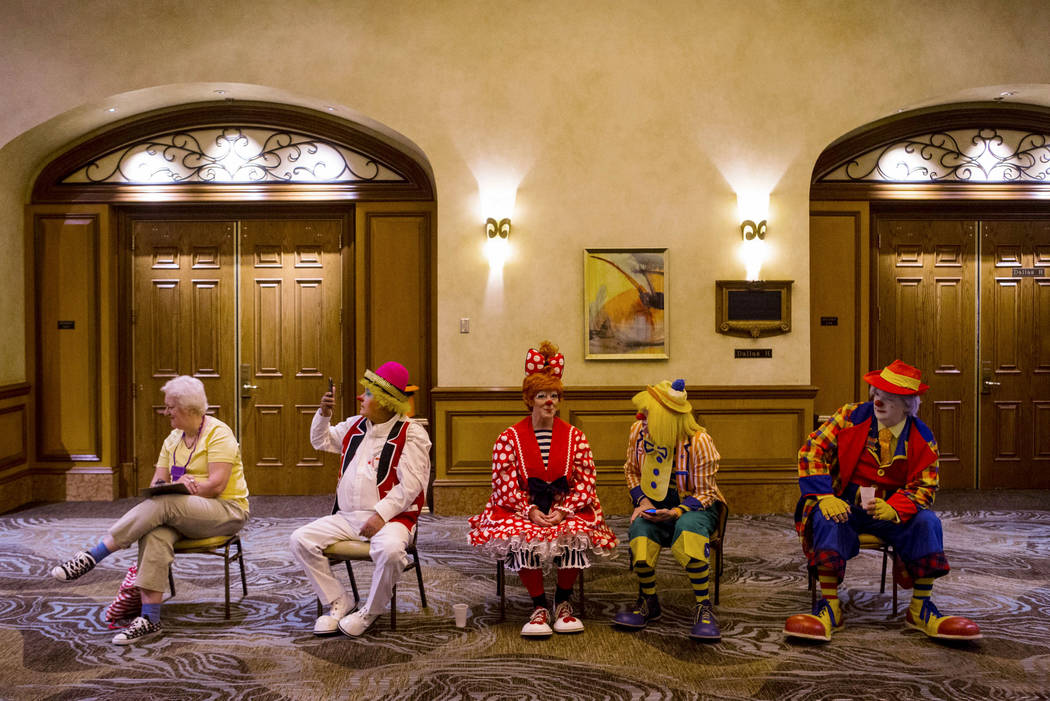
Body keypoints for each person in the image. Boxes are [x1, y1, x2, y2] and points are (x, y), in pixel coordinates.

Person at [784, 359, 981, 642]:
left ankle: (920, 609)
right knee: (825, 518)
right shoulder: (849, 416)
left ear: (908, 404)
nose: (879, 401)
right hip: (846, 507)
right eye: (877, 393)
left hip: (893, 512)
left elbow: (926, 486)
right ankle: (830, 608)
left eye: (890, 397)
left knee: (928, 522)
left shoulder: (922, 437)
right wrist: (824, 496)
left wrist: (896, 508)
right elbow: (810, 450)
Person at [51, 375, 250, 645]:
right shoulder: (172, 439)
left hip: (226, 511)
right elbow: (156, 483)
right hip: (182, 513)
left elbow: (216, 485)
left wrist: (178, 487)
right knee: (154, 533)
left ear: (189, 408)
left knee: (165, 504)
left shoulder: (218, 433)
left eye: (170, 407)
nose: (165, 412)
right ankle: (150, 619)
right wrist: (174, 484)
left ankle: (94, 554)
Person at [468, 341, 618, 637]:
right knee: (522, 535)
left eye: (554, 395)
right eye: (542, 395)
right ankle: (538, 606)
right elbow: (504, 484)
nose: (549, 401)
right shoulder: (509, 438)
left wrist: (563, 511)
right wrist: (531, 510)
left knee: (575, 533)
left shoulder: (576, 436)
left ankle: (562, 602)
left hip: (565, 507)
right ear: (529, 399)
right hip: (523, 507)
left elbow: (587, 482)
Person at [289, 361, 431, 638]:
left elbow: (411, 485)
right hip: (346, 518)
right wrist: (324, 413)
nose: (360, 398)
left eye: (368, 394)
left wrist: (379, 516)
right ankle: (339, 601)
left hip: (392, 519)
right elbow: (320, 441)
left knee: (390, 552)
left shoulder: (412, 433)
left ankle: (370, 611)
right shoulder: (355, 425)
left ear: (387, 401)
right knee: (300, 539)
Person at [612, 379, 726, 641]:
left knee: (688, 531)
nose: (642, 417)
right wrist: (643, 502)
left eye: (649, 414)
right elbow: (630, 471)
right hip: (655, 504)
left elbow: (706, 493)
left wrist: (676, 512)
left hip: (696, 507)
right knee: (640, 529)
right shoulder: (639, 432)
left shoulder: (698, 441)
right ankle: (648, 602)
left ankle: (703, 607)